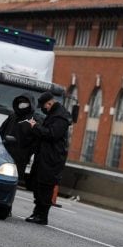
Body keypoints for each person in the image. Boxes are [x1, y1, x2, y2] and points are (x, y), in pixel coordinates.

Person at [25, 91, 72, 225]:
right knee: (38, 185)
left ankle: (42, 215)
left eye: (44, 107)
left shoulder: (60, 118)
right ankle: (37, 212)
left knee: (45, 187)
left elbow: (52, 134)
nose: (43, 110)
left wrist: (36, 127)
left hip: (52, 159)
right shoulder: (54, 115)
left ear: (50, 103)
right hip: (44, 157)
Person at [0, 93, 39, 184]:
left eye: (25, 102)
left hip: (20, 157)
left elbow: (35, 140)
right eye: (20, 102)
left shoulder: (32, 120)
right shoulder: (12, 116)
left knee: (12, 181)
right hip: (4, 152)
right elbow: (1, 131)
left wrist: (26, 152)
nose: (22, 104)